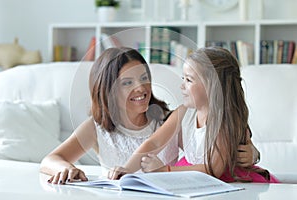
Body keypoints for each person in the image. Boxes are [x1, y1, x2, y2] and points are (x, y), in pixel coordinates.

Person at [109, 47, 279, 183]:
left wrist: (164, 171)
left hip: (224, 183)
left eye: (188, 80)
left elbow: (213, 170)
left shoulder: (223, 121)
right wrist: (127, 169)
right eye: (183, 78)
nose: (182, 86)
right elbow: (154, 142)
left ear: (213, 87)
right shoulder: (184, 113)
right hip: (190, 176)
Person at [40, 47, 179, 184]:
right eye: (127, 83)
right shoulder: (96, 128)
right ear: (108, 91)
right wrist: (67, 168)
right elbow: (49, 160)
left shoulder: (170, 121)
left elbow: (199, 164)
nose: (141, 88)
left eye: (144, 78)